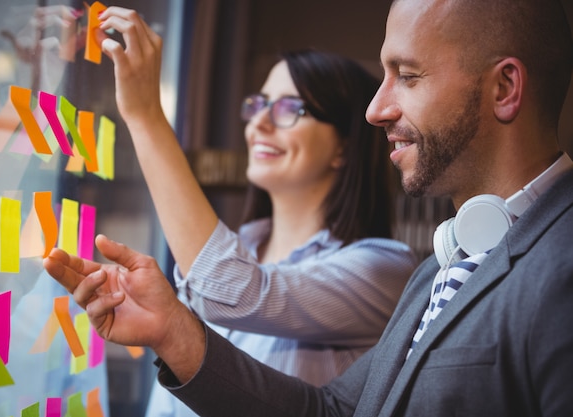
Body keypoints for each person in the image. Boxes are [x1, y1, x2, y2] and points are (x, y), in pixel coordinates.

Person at [44, 0, 573, 416]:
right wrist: (172, 332)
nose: (376, 109)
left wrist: (143, 114)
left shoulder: (557, 263)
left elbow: (235, 288)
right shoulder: (442, 267)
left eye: (408, 76)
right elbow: (333, 411)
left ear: (505, 87)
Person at [140, 48, 416, 416]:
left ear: (344, 148)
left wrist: (144, 116)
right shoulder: (237, 248)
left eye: (289, 109)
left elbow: (230, 287)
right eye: (258, 105)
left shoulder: (384, 270)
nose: (258, 125)